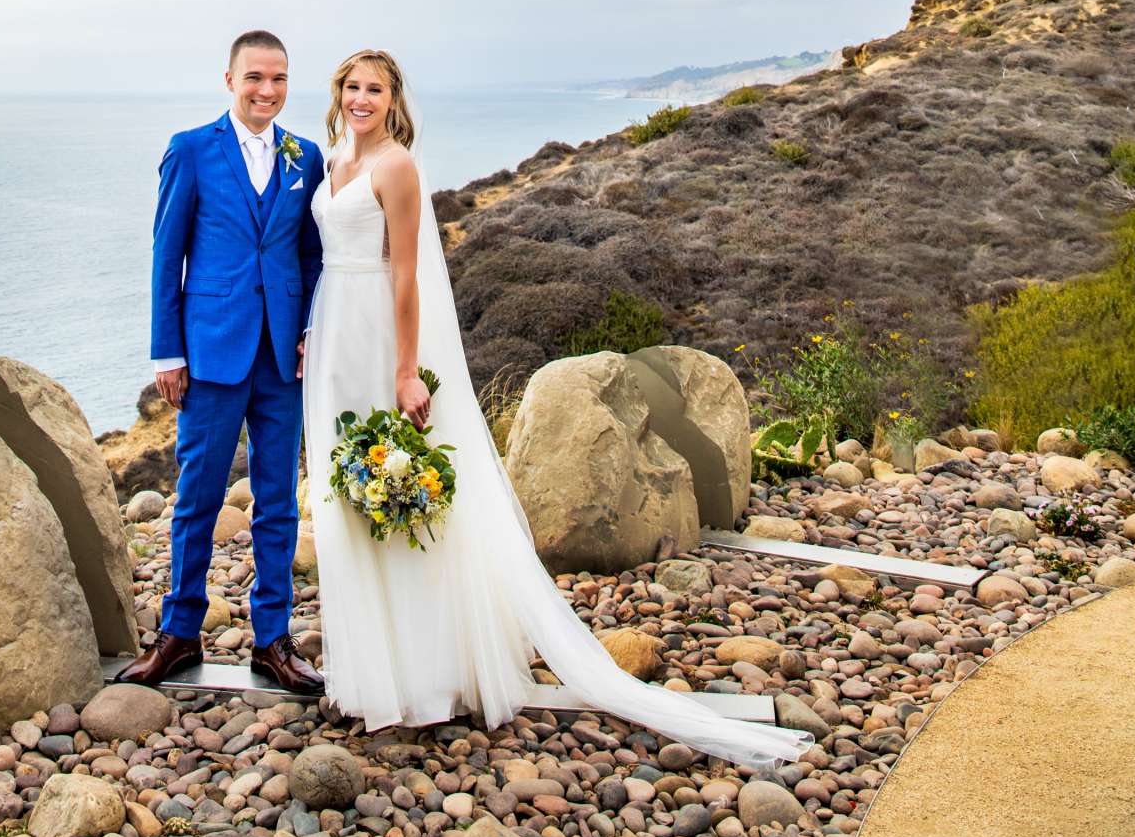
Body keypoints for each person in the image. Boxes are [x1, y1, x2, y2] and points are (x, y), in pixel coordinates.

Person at [302, 49, 815, 766]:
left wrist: (405, 370)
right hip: (332, 338)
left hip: (380, 334)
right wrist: (309, 335)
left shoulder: (396, 165)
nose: (362, 99)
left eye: (375, 89)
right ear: (338, 95)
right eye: (352, 88)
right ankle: (367, 673)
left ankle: (421, 678)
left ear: (393, 100)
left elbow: (408, 275)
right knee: (348, 498)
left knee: (405, 497)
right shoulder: (328, 162)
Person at [121, 30, 326, 696]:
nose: (268, 90)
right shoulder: (192, 151)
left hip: (282, 353)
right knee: (199, 498)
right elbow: (165, 253)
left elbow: (309, 253)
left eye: (279, 79)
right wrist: (168, 350)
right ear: (230, 80)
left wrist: (310, 326)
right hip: (210, 351)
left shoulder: (307, 157)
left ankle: (273, 641)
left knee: (276, 502)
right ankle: (179, 634)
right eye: (255, 78)